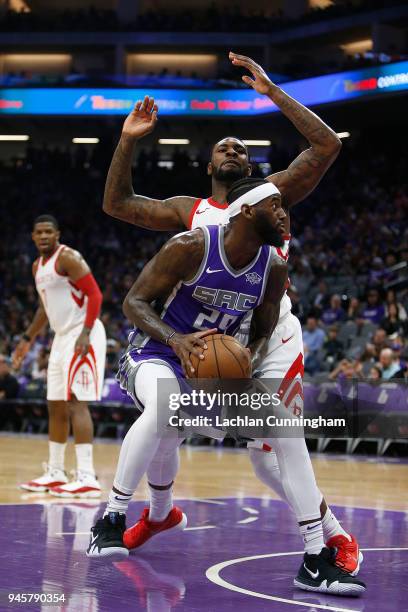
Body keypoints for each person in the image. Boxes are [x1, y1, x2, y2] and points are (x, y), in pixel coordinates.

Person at [101, 52, 362, 581]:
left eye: (241, 148)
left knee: (273, 451)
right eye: (222, 145)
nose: (232, 148)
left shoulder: (270, 199)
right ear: (209, 165)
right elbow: (118, 203)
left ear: (250, 172)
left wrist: (273, 91)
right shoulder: (189, 216)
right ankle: (155, 512)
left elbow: (327, 145)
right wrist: (128, 139)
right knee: (167, 422)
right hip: (201, 339)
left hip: (265, 338)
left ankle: (329, 539)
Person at [12, 215, 106, 498]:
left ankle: (87, 476)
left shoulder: (69, 258)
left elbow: (95, 295)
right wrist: (27, 339)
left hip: (82, 332)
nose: (43, 236)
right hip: (61, 337)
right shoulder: (37, 267)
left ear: (57, 235)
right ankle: (55, 471)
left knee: (77, 402)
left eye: (48, 232)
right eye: (38, 232)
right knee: (55, 405)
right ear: (32, 236)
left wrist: (86, 332)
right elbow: (44, 309)